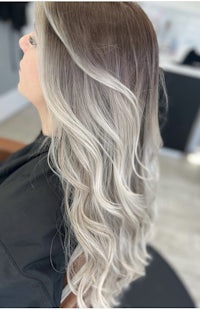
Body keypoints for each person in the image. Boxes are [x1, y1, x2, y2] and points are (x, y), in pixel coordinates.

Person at [0, 2, 164, 307]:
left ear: (69, 74)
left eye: (35, 39)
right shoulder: (93, 157)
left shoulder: (15, 240)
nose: (23, 41)